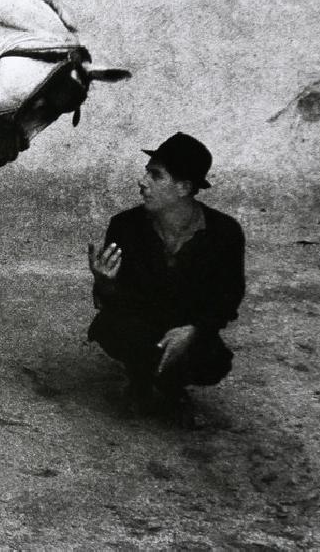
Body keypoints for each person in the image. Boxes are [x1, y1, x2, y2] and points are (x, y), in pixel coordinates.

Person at [87, 132, 245, 425]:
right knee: (116, 328)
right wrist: (105, 282)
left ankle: (172, 386)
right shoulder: (125, 226)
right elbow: (117, 303)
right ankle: (141, 381)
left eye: (155, 176)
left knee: (213, 361)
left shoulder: (224, 233)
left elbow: (229, 296)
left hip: (187, 327)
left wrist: (195, 330)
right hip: (142, 324)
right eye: (147, 172)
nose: (142, 182)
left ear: (184, 187)